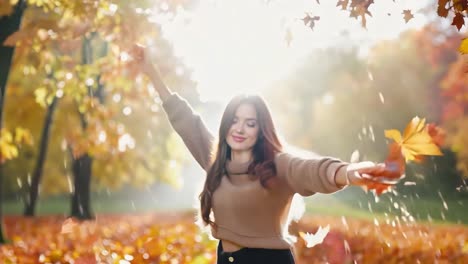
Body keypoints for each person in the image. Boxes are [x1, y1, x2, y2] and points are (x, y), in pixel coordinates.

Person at [130, 45, 398, 264]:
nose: (240, 129)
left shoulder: (277, 164)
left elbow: (313, 170)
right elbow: (186, 121)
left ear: (261, 130)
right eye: (235, 120)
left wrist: (349, 172)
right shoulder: (216, 161)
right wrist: (151, 71)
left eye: (250, 123)